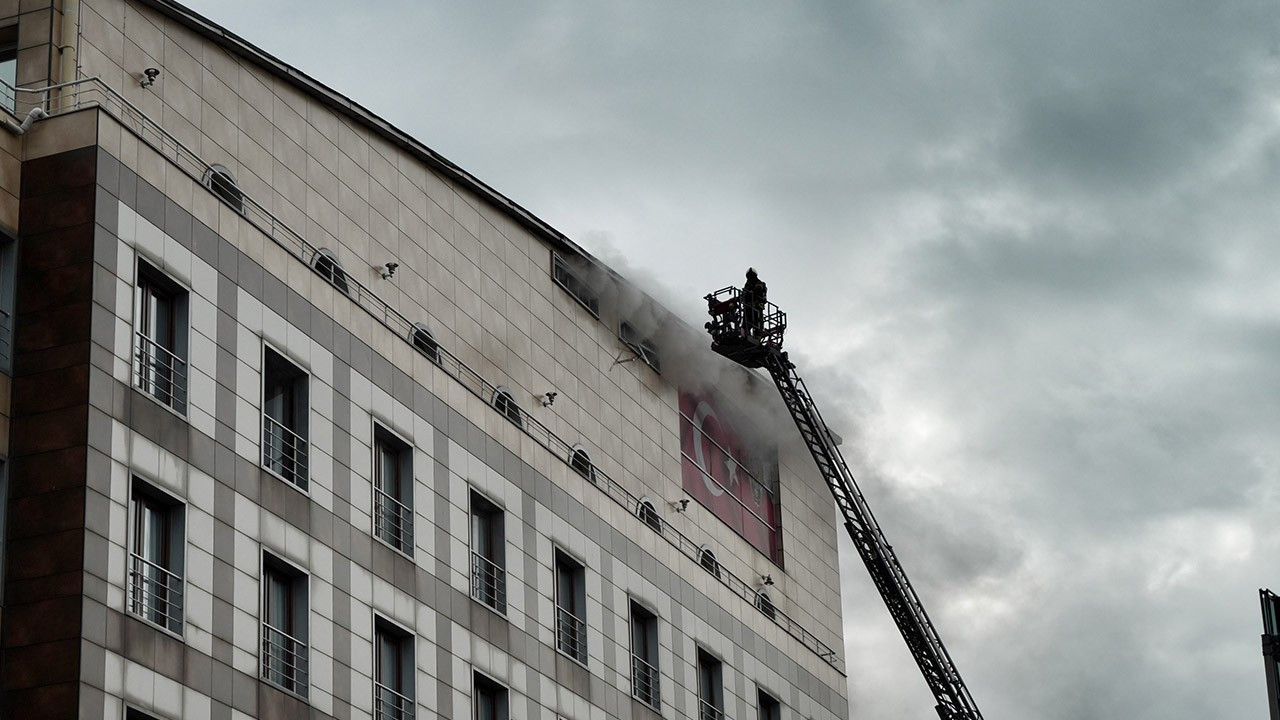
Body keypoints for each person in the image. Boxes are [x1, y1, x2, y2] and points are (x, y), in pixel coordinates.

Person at [742, 267, 767, 338]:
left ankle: (757, 336)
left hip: (757, 306)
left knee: (758, 323)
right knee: (746, 323)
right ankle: (745, 334)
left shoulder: (760, 283)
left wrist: (751, 293)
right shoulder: (747, 285)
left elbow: (758, 290)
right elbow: (744, 294)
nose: (750, 278)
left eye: (751, 276)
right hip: (748, 307)